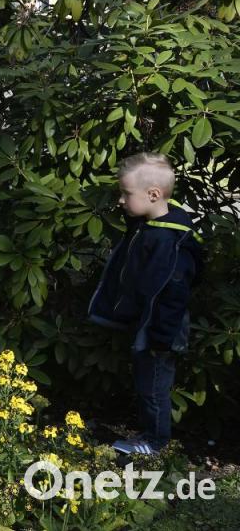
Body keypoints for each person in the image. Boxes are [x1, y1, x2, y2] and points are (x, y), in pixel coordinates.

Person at [88, 152, 203, 455]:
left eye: (126, 194)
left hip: (160, 332)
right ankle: (150, 434)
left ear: (153, 194)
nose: (121, 201)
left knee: (153, 388)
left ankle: (154, 442)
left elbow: (173, 296)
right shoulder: (150, 224)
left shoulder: (170, 241)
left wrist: (160, 338)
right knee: (146, 382)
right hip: (148, 323)